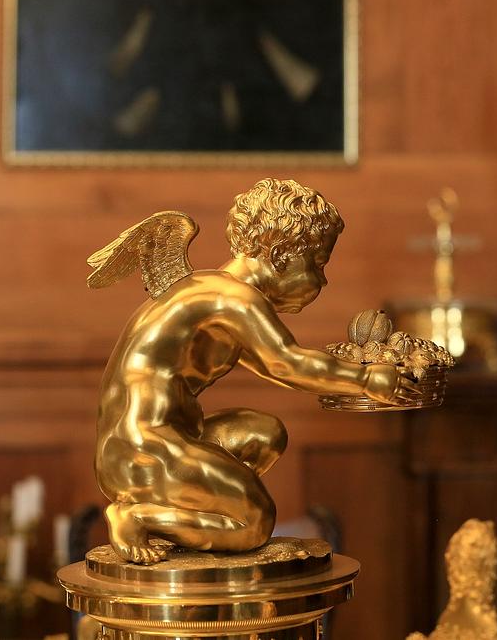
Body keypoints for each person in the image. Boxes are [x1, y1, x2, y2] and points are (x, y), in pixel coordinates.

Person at [88, 178, 416, 563]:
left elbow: (276, 365)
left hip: (158, 440)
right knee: (257, 523)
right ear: (281, 255)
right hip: (141, 450)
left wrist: (351, 373)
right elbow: (286, 362)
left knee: (264, 434)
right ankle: (139, 517)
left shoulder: (214, 294)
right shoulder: (233, 299)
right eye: (318, 264)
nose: (323, 280)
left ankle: (203, 517)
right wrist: (366, 379)